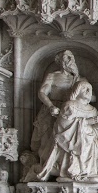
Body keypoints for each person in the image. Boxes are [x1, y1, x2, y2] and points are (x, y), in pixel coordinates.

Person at [37, 78, 98, 182]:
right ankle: (77, 173)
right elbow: (63, 125)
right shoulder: (70, 105)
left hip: (89, 139)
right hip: (71, 140)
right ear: (77, 90)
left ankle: (95, 171)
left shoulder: (93, 110)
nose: (88, 91)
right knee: (83, 145)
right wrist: (87, 122)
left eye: (90, 89)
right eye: (85, 88)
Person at [28, 50, 80, 179]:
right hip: (51, 109)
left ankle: (64, 170)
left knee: (66, 141)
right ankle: (44, 170)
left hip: (68, 112)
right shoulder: (52, 76)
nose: (69, 60)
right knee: (46, 140)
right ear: (59, 61)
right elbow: (42, 92)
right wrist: (50, 106)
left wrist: (77, 80)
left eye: (71, 57)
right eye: (66, 58)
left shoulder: (77, 78)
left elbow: (89, 96)